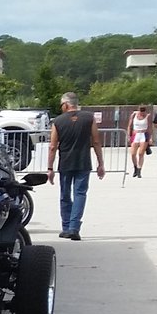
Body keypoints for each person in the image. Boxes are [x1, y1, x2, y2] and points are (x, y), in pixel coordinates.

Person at [45, 93, 101, 239]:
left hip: (65, 163)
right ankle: (74, 227)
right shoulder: (89, 118)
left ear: (66, 104)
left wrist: (50, 168)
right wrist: (100, 163)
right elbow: (96, 141)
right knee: (80, 194)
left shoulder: (58, 121)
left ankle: (66, 226)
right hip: (83, 162)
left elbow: (53, 146)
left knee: (65, 195)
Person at [127, 107, 150, 178]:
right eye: (141, 111)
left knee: (141, 153)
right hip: (135, 134)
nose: (142, 113)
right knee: (133, 153)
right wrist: (128, 135)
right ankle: (135, 167)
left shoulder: (147, 116)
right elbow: (129, 125)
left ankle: (139, 170)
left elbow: (149, 127)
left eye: (143, 111)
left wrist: (150, 137)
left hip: (143, 134)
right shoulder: (134, 115)